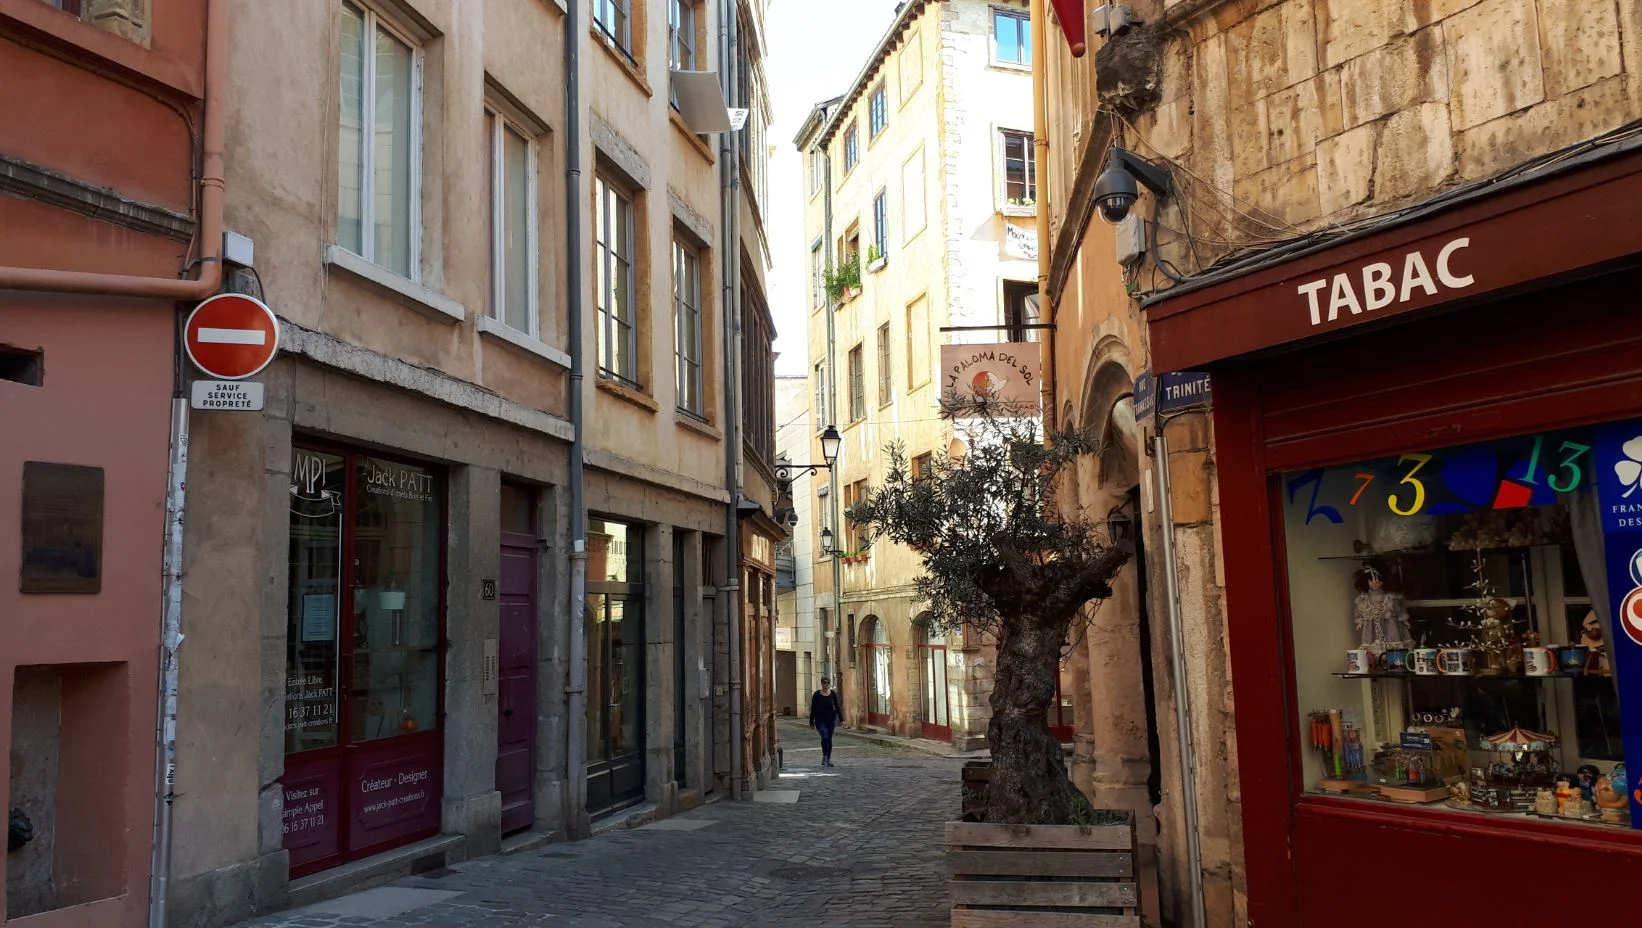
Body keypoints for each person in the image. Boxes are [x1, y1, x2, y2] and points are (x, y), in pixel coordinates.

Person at [808, 677, 844, 767]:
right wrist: (811, 721)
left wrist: (842, 719)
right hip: (820, 718)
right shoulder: (816, 694)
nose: (826, 684)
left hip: (831, 719)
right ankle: (824, 757)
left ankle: (828, 758)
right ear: (821, 683)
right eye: (825, 682)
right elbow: (813, 708)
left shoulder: (833, 694)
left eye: (828, 682)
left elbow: (837, 706)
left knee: (829, 738)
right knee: (824, 735)